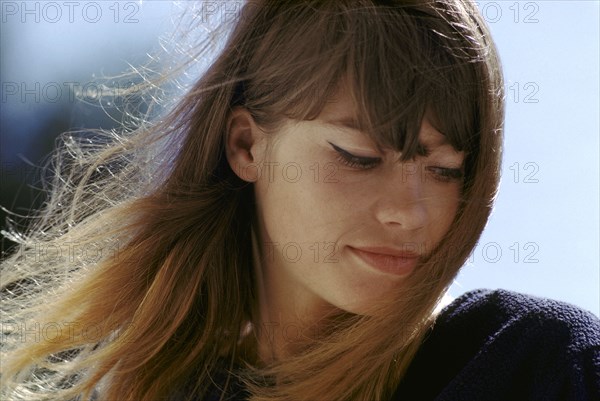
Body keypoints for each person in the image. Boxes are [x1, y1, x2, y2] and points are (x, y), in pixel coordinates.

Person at [1, 1, 598, 400]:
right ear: (245, 146)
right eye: (359, 157)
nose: (409, 212)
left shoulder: (535, 366)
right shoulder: (168, 389)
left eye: (445, 170)